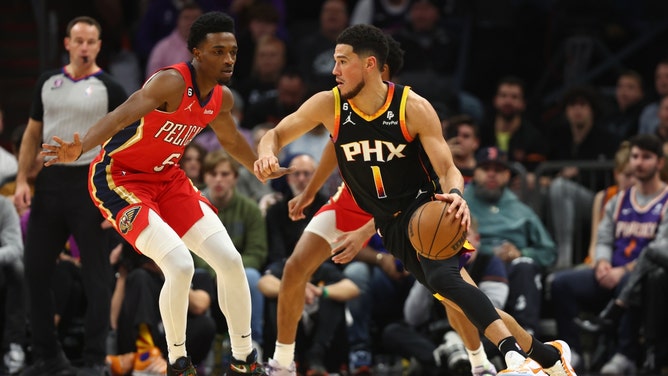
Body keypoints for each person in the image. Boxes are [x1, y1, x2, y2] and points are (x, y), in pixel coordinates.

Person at [254, 23, 576, 376]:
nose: (333, 70)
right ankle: (547, 357)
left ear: (370, 64)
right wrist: (267, 154)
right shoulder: (329, 104)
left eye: (342, 61)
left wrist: (455, 196)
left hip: (420, 207)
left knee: (449, 286)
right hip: (381, 214)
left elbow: (449, 169)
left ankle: (503, 359)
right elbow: (279, 132)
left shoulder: (412, 108)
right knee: (456, 293)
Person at [39, 11, 290, 375]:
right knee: (179, 264)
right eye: (219, 51)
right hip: (118, 178)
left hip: (167, 179)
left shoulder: (222, 98)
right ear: (197, 53)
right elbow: (121, 116)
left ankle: (243, 360)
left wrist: (258, 166)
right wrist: (82, 148)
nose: (229, 59)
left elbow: (232, 140)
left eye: (233, 51)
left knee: (231, 262)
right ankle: (178, 362)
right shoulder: (172, 82)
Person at [15, 16, 127, 376]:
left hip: (91, 184)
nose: (84, 47)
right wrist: (21, 179)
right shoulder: (48, 82)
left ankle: (95, 360)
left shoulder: (111, 87)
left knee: (97, 275)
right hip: (49, 183)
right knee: (34, 271)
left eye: (90, 42)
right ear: (67, 43)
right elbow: (33, 134)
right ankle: (47, 356)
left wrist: (117, 193)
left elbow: (125, 141)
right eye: (78, 40)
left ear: (98, 46)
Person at [550, 134, 668, 374]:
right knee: (561, 283)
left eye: (646, 157)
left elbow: (658, 250)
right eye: (635, 156)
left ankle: (624, 354)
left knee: (628, 282)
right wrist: (602, 262)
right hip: (609, 270)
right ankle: (572, 353)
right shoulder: (619, 199)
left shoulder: (665, 200)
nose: (639, 162)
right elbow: (603, 238)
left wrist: (622, 271)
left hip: (640, 276)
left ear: (659, 163)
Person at [464, 147, 557, 336]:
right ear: (475, 172)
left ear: (507, 175)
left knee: (524, 265)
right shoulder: (460, 202)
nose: (491, 174)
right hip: (474, 266)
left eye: (498, 170)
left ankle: (526, 337)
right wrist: (487, 252)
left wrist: (522, 253)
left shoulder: (521, 210)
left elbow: (549, 251)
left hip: (513, 268)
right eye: (485, 169)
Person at [145, 1, 203, 78]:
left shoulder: (212, 46)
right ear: (178, 21)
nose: (191, 22)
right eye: (186, 18)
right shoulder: (162, 48)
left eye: (195, 18)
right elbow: (152, 80)